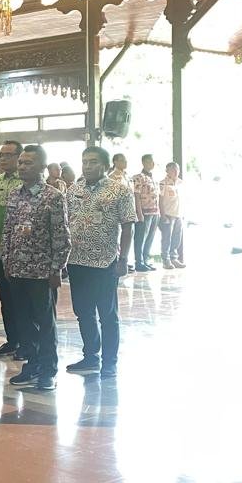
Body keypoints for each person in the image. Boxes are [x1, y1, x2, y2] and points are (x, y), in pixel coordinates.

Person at [1, 145, 70, 392]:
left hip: (42, 272)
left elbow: (61, 236)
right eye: (20, 162)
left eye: (28, 163)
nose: (21, 166)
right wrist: (6, 260)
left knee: (45, 323)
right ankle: (31, 365)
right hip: (17, 269)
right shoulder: (14, 195)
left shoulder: (53, 196)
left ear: (42, 167)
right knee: (24, 323)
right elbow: (8, 231)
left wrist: (56, 269)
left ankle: (48, 370)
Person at [64, 146, 136, 380]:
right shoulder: (73, 190)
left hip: (105, 263)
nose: (87, 166)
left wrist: (123, 259)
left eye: (93, 162)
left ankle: (109, 362)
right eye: (85, 161)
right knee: (83, 311)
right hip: (76, 261)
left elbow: (128, 226)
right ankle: (90, 356)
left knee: (107, 314)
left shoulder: (120, 190)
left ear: (105, 165)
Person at [0, 140, 24, 359]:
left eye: (8, 155)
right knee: (6, 299)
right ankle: (12, 340)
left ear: (19, 157)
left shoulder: (26, 181)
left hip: (20, 250)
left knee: (22, 299)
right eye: (1, 155)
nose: (3, 159)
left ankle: (28, 343)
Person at [131, 154, 159, 272]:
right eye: (150, 161)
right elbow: (136, 195)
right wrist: (139, 212)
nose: (153, 164)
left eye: (153, 162)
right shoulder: (138, 177)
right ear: (144, 162)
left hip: (155, 212)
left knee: (150, 238)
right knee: (140, 238)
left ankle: (146, 260)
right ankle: (139, 262)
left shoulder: (153, 178)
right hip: (144, 212)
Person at [159, 162, 185, 269]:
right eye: (172, 169)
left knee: (176, 238)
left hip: (178, 214)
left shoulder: (181, 183)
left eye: (176, 169)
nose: (175, 171)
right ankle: (166, 260)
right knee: (167, 238)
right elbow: (160, 200)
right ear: (167, 171)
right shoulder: (163, 183)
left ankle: (174, 258)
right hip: (168, 214)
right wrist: (163, 215)